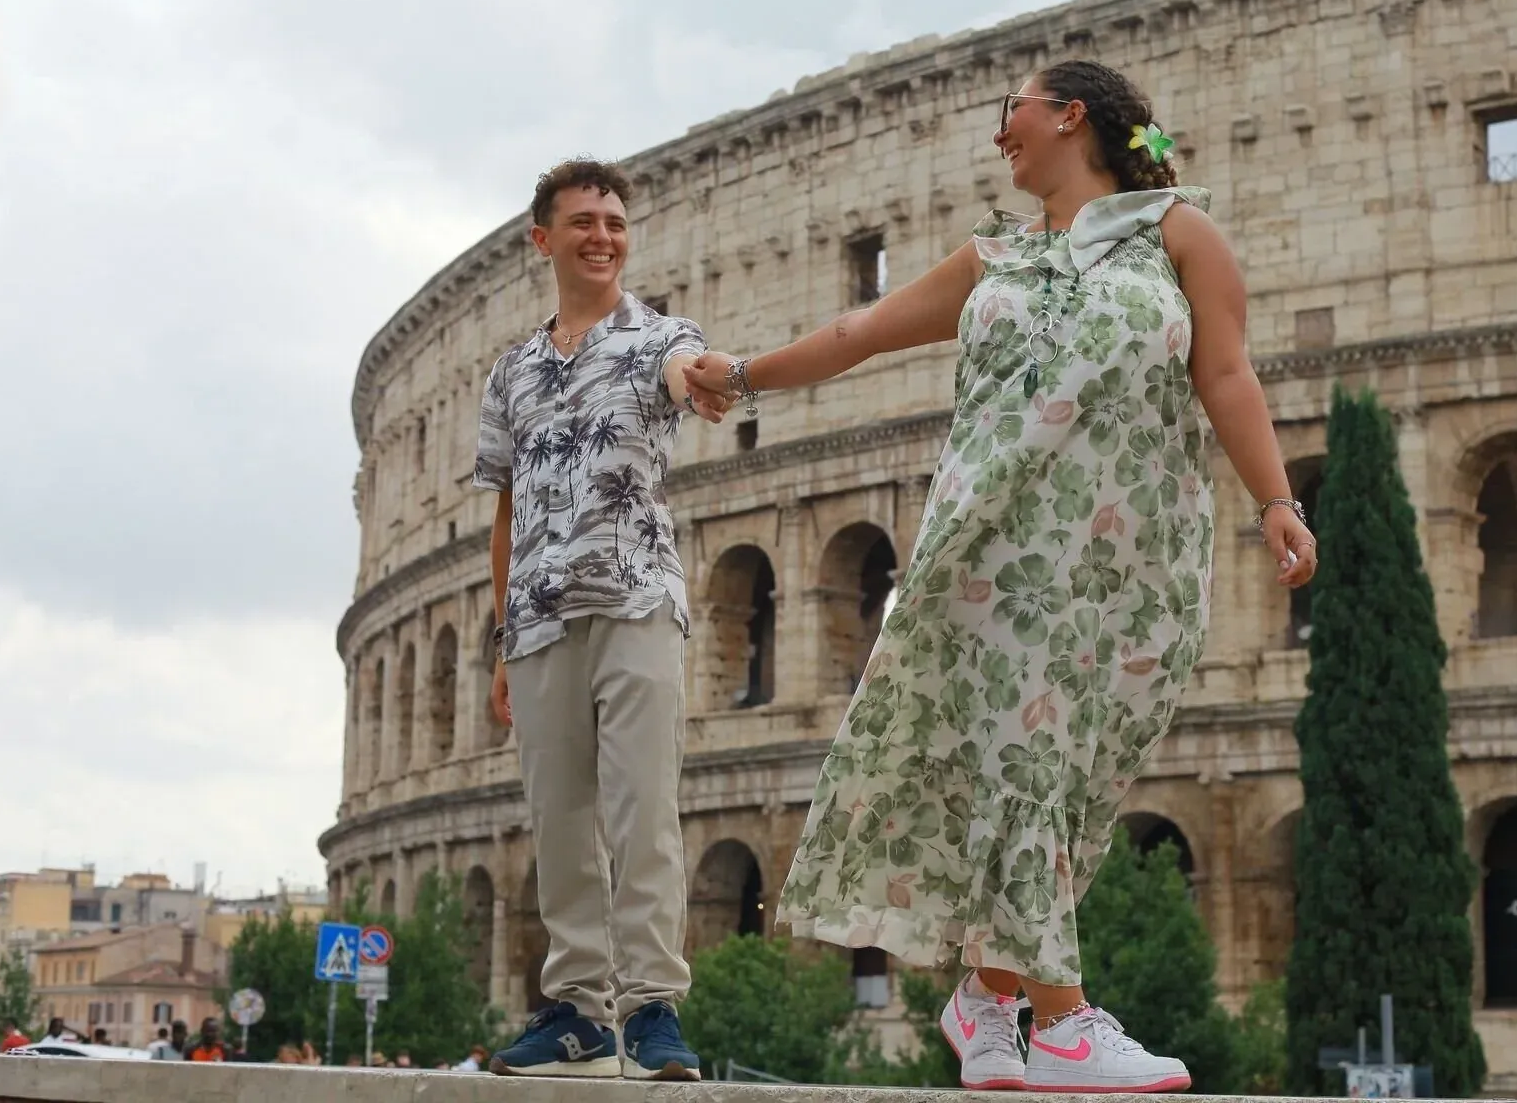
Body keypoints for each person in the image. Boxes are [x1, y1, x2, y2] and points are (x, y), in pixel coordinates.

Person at [686, 59, 1318, 1094]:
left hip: (1132, 554)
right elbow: (858, 333)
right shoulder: (994, 260)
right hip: (997, 545)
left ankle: (986, 994)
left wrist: (1277, 497)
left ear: (1070, 116)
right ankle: (1063, 1017)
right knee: (1022, 753)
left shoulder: (1178, 234)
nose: (998, 137)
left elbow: (1227, 373)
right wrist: (744, 373)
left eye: (1010, 113)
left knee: (1073, 774)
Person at [475, 158, 731, 1081]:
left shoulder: (660, 335)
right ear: (543, 239)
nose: (603, 236)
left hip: (635, 597)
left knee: (642, 806)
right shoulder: (509, 373)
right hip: (539, 615)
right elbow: (503, 509)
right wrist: (502, 635)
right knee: (558, 817)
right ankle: (578, 1009)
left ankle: (653, 1004)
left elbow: (684, 372)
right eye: (583, 221)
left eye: (616, 222)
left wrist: (708, 378)